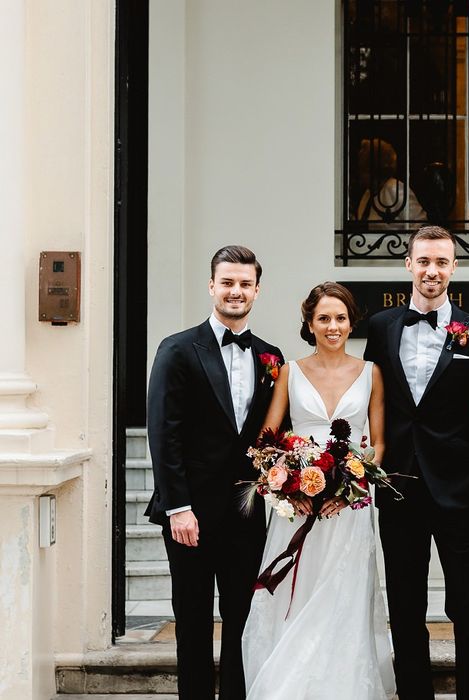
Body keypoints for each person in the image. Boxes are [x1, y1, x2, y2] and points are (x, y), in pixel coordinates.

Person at [363, 225, 469, 699]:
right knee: (404, 604)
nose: (432, 271)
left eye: (441, 262)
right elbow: (373, 401)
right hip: (399, 486)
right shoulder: (381, 327)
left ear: (454, 268)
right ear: (408, 265)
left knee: (467, 603)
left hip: (458, 490)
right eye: (424, 261)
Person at [241, 282, 396, 700]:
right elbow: (268, 438)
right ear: (309, 323)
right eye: (323, 318)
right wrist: (288, 484)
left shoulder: (370, 373)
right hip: (298, 507)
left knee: (342, 598)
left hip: (349, 508)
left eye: (340, 318)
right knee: (299, 594)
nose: (333, 326)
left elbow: (378, 443)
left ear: (351, 323)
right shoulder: (291, 371)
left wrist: (351, 483)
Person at [145, 245, 284, 700]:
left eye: (245, 283)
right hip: (191, 514)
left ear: (257, 290)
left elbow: (271, 436)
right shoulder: (178, 349)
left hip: (245, 512)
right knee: (193, 617)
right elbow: (163, 434)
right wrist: (178, 508)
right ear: (211, 286)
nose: (236, 291)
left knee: (244, 619)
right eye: (227, 282)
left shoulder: (271, 356)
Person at [356, 137, 427, 226]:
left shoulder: (395, 189)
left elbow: (419, 224)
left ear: (374, 169)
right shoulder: (368, 194)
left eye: (363, 169)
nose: (359, 174)